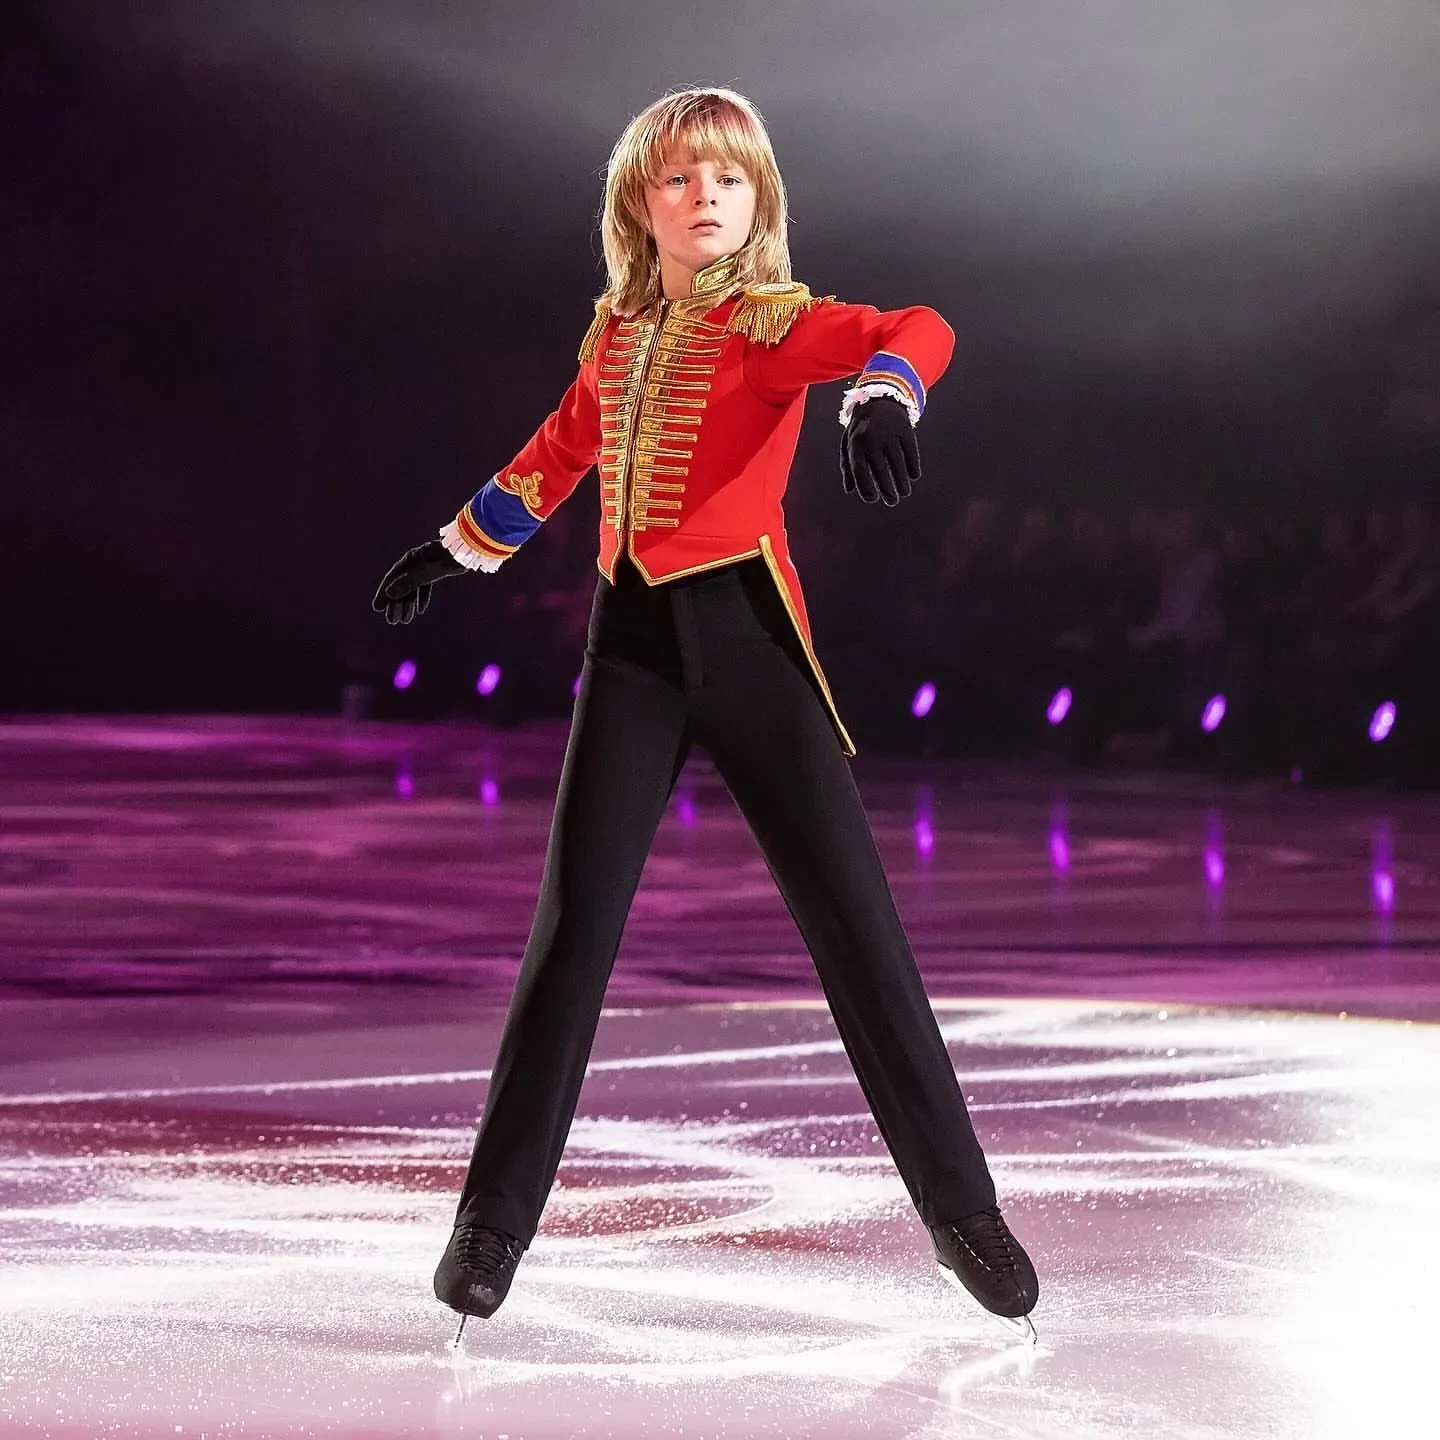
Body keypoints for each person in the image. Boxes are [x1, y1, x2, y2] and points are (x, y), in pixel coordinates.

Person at [372, 87, 1039, 1341]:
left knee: (858, 934)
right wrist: (455, 550)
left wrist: (884, 392)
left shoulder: (771, 324)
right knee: (570, 939)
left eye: (730, 177)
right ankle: (491, 1226)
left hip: (750, 647)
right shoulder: (617, 336)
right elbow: (557, 453)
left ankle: (966, 1214)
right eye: (682, 177)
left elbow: (920, 325)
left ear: (758, 198)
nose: (707, 196)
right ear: (642, 202)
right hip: (628, 650)